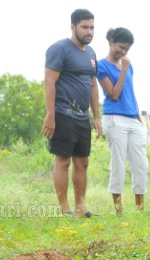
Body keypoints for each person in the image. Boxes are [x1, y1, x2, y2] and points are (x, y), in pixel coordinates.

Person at [42, 8, 103, 218]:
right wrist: (50, 115)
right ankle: (65, 208)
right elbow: (49, 82)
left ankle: (81, 206)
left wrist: (96, 116)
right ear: (73, 27)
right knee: (64, 161)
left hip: (82, 116)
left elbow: (93, 85)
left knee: (82, 162)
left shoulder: (92, 53)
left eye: (92, 27)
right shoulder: (59, 49)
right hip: (62, 112)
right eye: (85, 27)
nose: (89, 31)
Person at [96, 26, 147, 214]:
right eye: (120, 47)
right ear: (111, 42)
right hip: (114, 118)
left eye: (126, 49)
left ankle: (140, 208)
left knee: (140, 163)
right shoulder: (101, 66)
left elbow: (130, 93)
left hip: (132, 118)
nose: (123, 52)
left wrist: (138, 117)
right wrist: (124, 68)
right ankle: (119, 210)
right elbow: (114, 94)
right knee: (118, 163)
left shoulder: (128, 65)